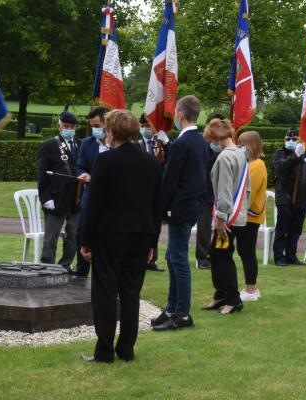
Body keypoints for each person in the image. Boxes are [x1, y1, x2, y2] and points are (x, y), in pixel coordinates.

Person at [79, 109, 163, 363]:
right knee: (130, 293)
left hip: (109, 235)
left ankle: (104, 350)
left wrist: (86, 240)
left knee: (104, 292)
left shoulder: (106, 161)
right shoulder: (151, 162)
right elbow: (156, 206)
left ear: (112, 131)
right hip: (140, 235)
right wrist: (152, 241)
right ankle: (126, 348)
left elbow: (94, 205)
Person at [151, 95, 210, 331]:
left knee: (178, 259)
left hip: (180, 207)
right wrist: (167, 145)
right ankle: (172, 307)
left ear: (180, 115)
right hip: (191, 205)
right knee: (172, 257)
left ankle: (182, 313)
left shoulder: (185, 143)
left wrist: (161, 208)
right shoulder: (198, 141)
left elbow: (171, 179)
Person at [202, 118, 249, 314]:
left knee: (222, 256)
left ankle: (232, 297)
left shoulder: (224, 158)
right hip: (238, 214)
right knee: (218, 253)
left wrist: (220, 217)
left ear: (217, 138)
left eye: (211, 140)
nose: (211, 144)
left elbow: (224, 190)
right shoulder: (239, 153)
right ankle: (221, 293)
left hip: (227, 216)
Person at [37, 111, 81, 269]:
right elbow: (42, 175)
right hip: (55, 199)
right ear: (59, 126)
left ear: (76, 127)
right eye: (65, 126)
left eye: (71, 126)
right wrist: (45, 197)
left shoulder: (80, 144)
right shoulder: (49, 145)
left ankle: (65, 266)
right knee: (51, 238)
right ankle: (47, 268)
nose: (68, 129)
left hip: (76, 199)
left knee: (73, 236)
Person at [270, 127, 306, 266]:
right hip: (284, 196)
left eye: (294, 139)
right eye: (288, 139)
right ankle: (279, 256)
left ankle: (291, 255)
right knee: (282, 228)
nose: (290, 141)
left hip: (301, 198)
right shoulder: (279, 154)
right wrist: (295, 156)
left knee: (296, 230)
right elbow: (281, 168)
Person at [74, 107, 110, 277]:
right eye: (92, 125)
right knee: (82, 233)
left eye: (97, 125)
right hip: (89, 197)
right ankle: (80, 273)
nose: (95, 128)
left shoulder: (117, 145)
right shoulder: (87, 144)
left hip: (110, 201)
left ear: (107, 123)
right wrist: (83, 174)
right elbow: (80, 166)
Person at [137, 113, 171, 272]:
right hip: (140, 191)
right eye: (142, 126)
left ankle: (152, 259)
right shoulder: (136, 145)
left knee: (154, 224)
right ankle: (138, 257)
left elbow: (167, 165)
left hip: (157, 191)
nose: (145, 129)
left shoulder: (160, 144)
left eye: (148, 126)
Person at [236, 130, 266, 301]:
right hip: (248, 215)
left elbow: (249, 192)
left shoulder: (256, 165)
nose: (240, 147)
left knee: (247, 252)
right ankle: (251, 287)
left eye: (242, 144)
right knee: (244, 250)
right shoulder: (251, 164)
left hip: (250, 216)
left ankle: (251, 288)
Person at [195, 112, 225, 270]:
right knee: (204, 225)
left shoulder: (225, 143)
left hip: (222, 190)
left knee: (221, 224)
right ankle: (202, 256)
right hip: (205, 190)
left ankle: (216, 253)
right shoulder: (202, 143)